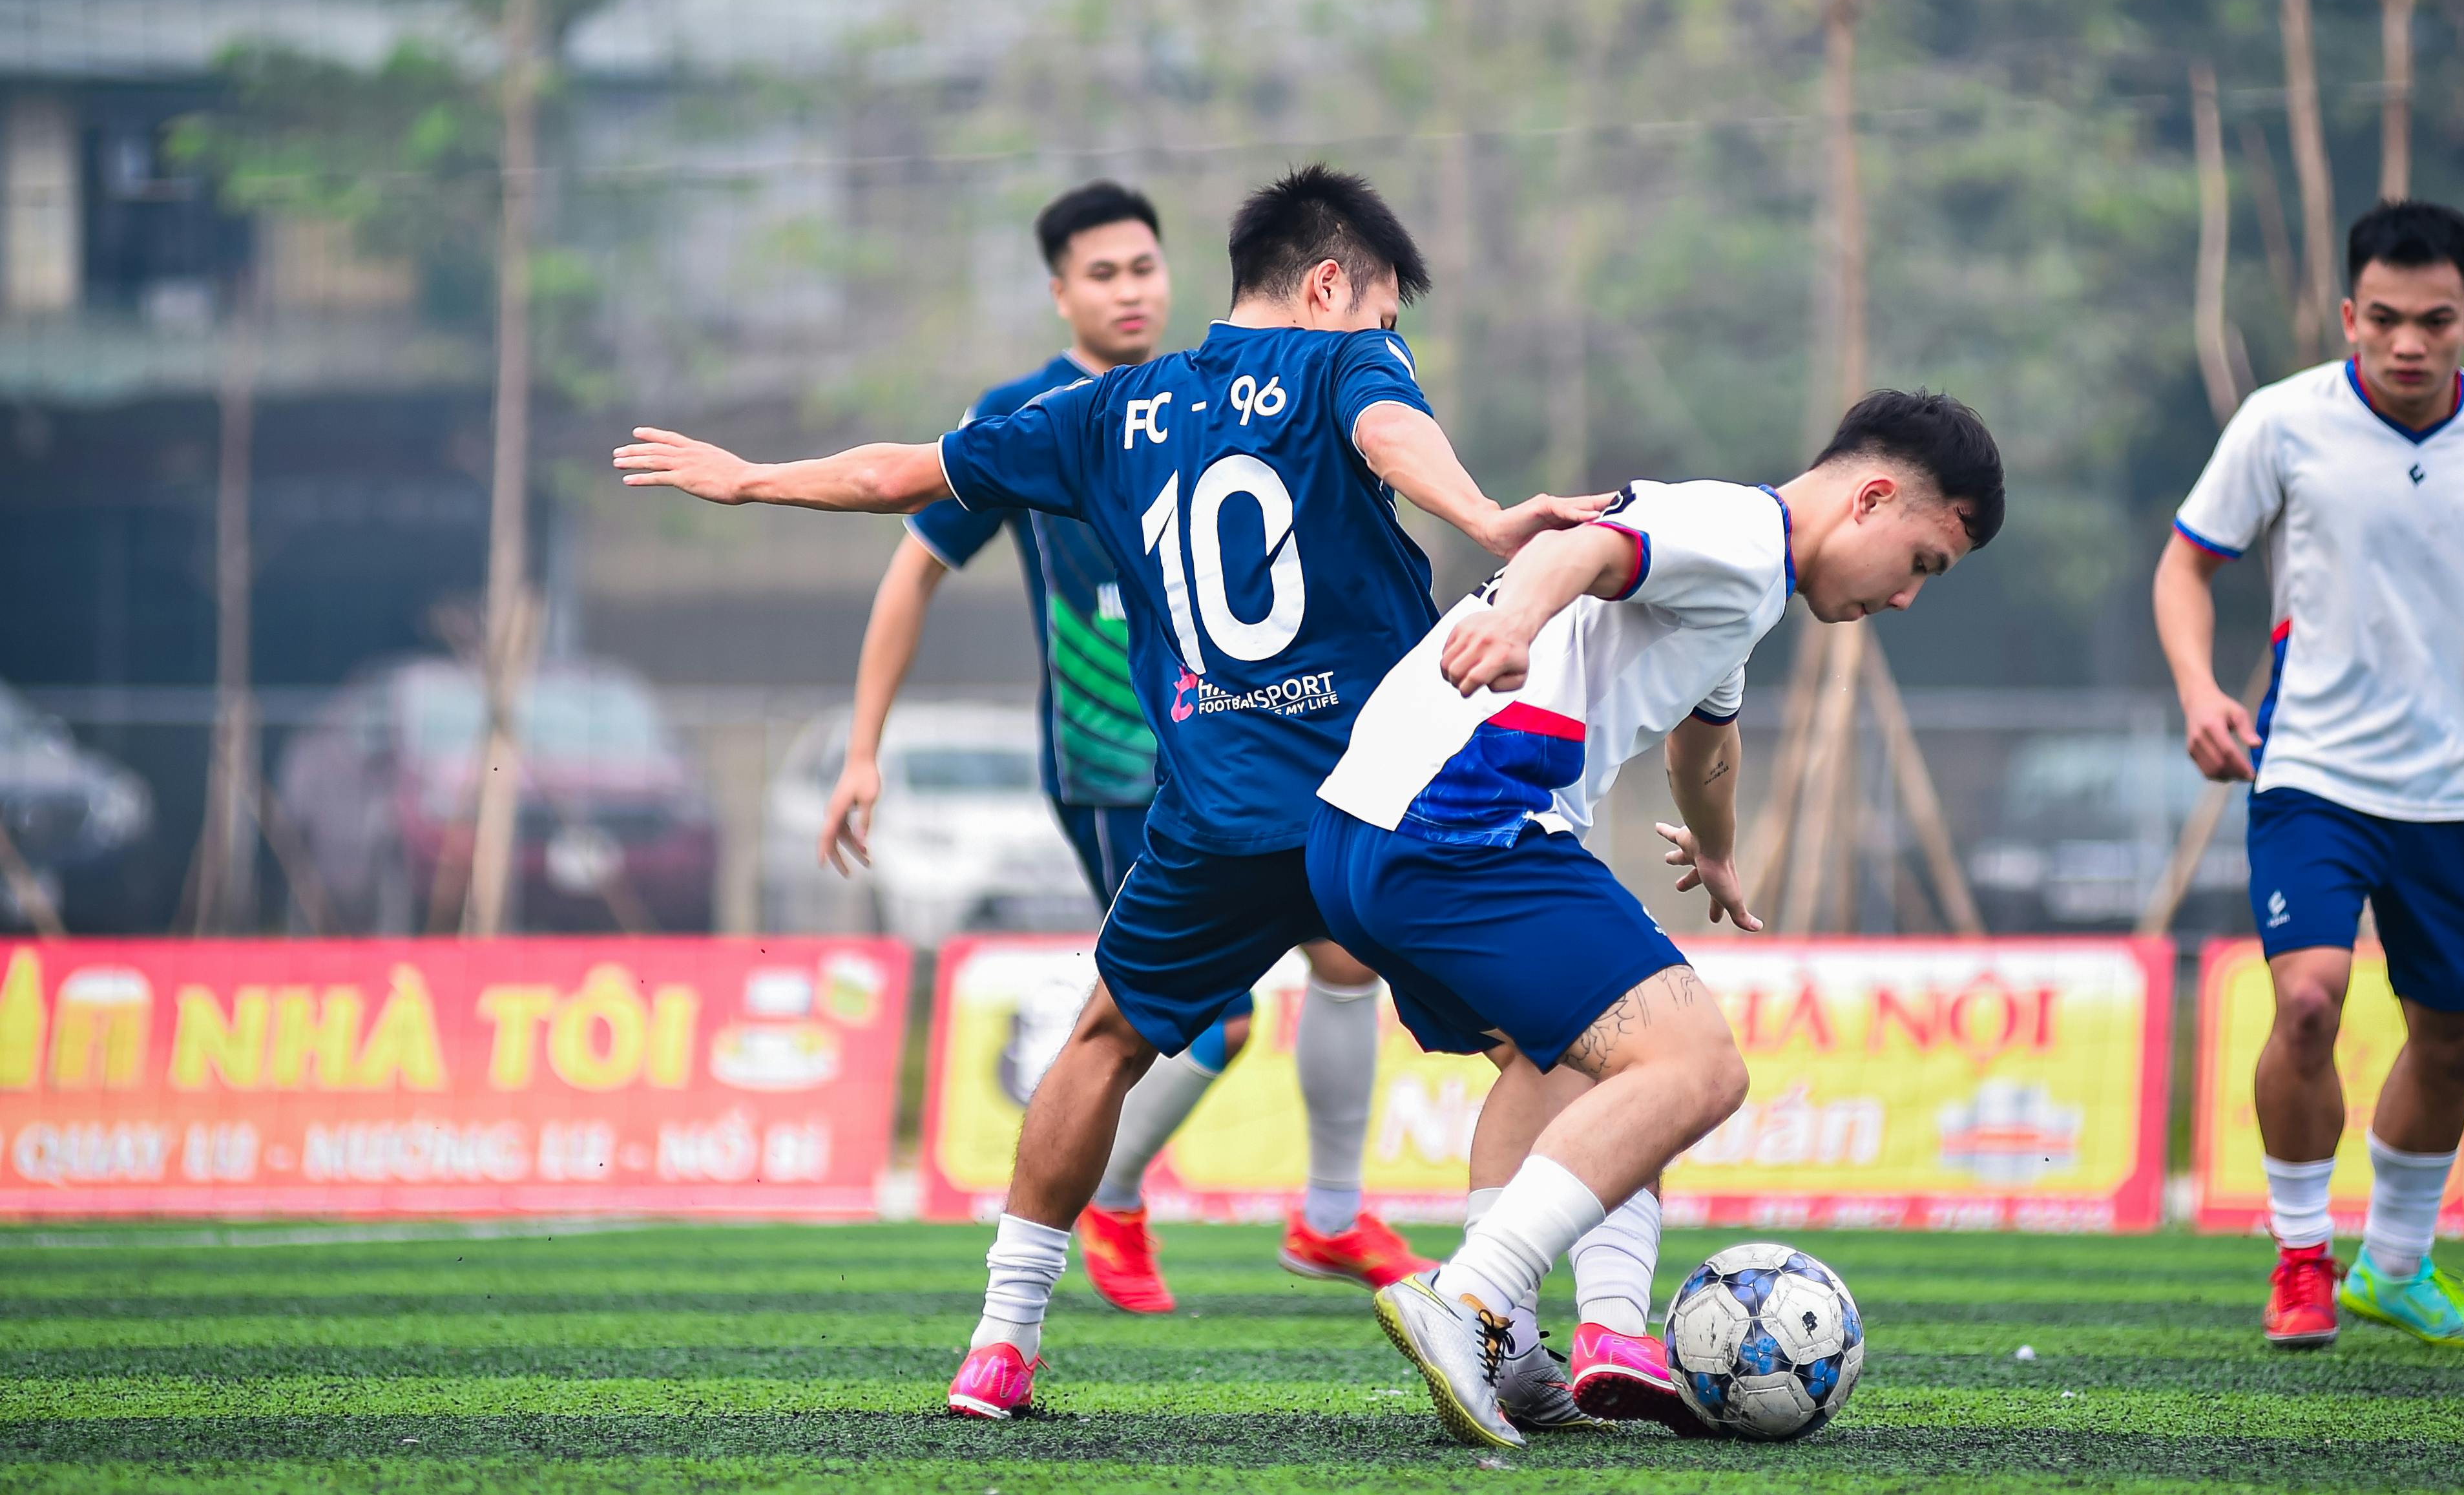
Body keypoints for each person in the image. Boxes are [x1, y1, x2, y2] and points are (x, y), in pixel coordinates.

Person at [614, 163, 1603, 1422]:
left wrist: (749, 477)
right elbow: (1391, 437)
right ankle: (1504, 1333)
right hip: (1377, 803)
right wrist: (1486, 512)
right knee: (1546, 1039)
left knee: (1104, 1039)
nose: (1391, 336)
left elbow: (898, 475)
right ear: (1326, 283)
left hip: (1211, 812)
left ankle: (1001, 1343)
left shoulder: (1104, 412)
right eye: (1386, 310)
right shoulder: (1341, 364)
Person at [1315, 391, 2004, 1448]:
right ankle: (1470, 1300)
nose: (1908, 598)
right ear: (1873, 498)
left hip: (1361, 827)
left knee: (1554, 1066)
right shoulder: (1736, 534)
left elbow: (1701, 742)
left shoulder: (1739, 571)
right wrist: (1514, 618)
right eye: (1923, 563)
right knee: (1699, 1070)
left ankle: (1522, 1359)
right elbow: (1583, 553)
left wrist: (1718, 848)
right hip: (1468, 818)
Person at [822, 179, 1295, 1318]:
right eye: (1102, 273)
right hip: (1110, 762)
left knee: (1336, 962)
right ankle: (1116, 1192)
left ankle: (1328, 1210)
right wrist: (862, 749)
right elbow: (915, 563)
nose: (1129, 290)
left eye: (1143, 267)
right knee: (1219, 1015)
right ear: (1059, 292)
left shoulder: (1199, 394)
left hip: (1227, 748)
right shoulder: (1028, 412)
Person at [2156, 202, 2464, 1352]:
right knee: (2307, 999)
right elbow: (2185, 569)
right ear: (2349, 314)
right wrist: (2200, 691)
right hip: (2312, 775)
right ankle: (2301, 1260)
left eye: (2434, 321)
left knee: (2448, 1037)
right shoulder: (2282, 422)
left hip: (2457, 792)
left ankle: (2396, 1267)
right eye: (2383, 319)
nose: (2407, 343)